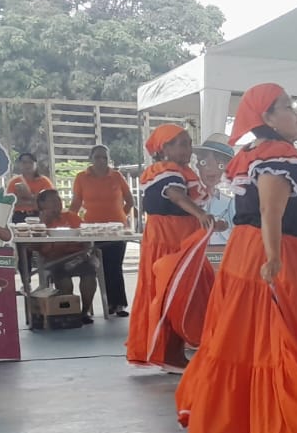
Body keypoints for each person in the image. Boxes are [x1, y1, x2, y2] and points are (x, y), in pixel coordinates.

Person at [175, 83, 297, 433]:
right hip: (271, 254)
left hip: (251, 254)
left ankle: (251, 424)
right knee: (278, 339)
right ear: (268, 118)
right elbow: (270, 210)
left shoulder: (257, 153)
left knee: (249, 339)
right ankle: (276, 427)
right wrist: (274, 257)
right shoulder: (276, 155)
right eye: (290, 108)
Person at [126, 124, 214, 371]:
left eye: (189, 144)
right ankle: (168, 354)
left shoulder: (179, 171)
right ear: (164, 148)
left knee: (185, 292)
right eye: (182, 144)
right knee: (172, 294)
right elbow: (175, 195)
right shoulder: (166, 170)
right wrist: (200, 214)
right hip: (169, 240)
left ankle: (174, 350)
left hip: (180, 239)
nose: (188, 149)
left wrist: (205, 220)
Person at [71, 144, 136, 316]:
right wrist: (70, 221)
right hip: (92, 229)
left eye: (105, 158)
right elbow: (76, 203)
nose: (101, 161)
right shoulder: (81, 178)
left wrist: (121, 217)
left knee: (115, 265)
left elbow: (130, 201)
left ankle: (119, 304)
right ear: (91, 159)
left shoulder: (116, 176)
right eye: (98, 157)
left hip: (116, 230)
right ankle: (107, 304)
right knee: (98, 267)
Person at [32, 189, 98, 323]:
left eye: (58, 200)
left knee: (89, 274)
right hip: (54, 259)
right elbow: (33, 246)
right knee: (64, 281)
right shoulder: (37, 223)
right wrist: (42, 224)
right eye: (52, 200)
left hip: (76, 256)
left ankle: (84, 312)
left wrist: (87, 251)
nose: (57, 203)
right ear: (42, 204)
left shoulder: (71, 217)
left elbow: (86, 235)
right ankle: (69, 311)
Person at [7, 152, 55, 287]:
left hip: (39, 217)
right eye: (23, 162)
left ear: (35, 164)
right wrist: (34, 200)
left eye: (30, 162)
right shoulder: (14, 182)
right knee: (23, 250)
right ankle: (26, 283)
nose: (27, 165)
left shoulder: (44, 181)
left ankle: (46, 283)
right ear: (19, 165)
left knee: (45, 248)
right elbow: (10, 202)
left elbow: (51, 201)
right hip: (20, 217)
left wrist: (29, 197)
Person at [194, 134, 237, 246]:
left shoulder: (230, 203)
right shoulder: (190, 199)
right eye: (204, 163)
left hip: (221, 253)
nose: (210, 169)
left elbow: (236, 233)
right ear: (198, 165)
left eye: (220, 165)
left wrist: (223, 227)